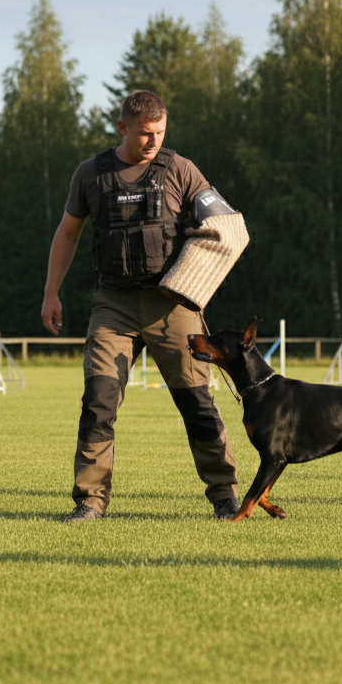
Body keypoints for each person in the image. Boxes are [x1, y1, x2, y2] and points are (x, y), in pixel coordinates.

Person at [42, 90, 240, 523]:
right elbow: (68, 233)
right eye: (145, 134)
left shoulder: (181, 170)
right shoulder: (90, 174)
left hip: (171, 306)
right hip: (112, 306)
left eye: (160, 133)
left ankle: (225, 496)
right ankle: (90, 501)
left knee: (197, 402)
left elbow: (228, 225)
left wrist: (198, 279)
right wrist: (51, 292)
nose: (153, 142)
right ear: (123, 128)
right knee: (99, 401)